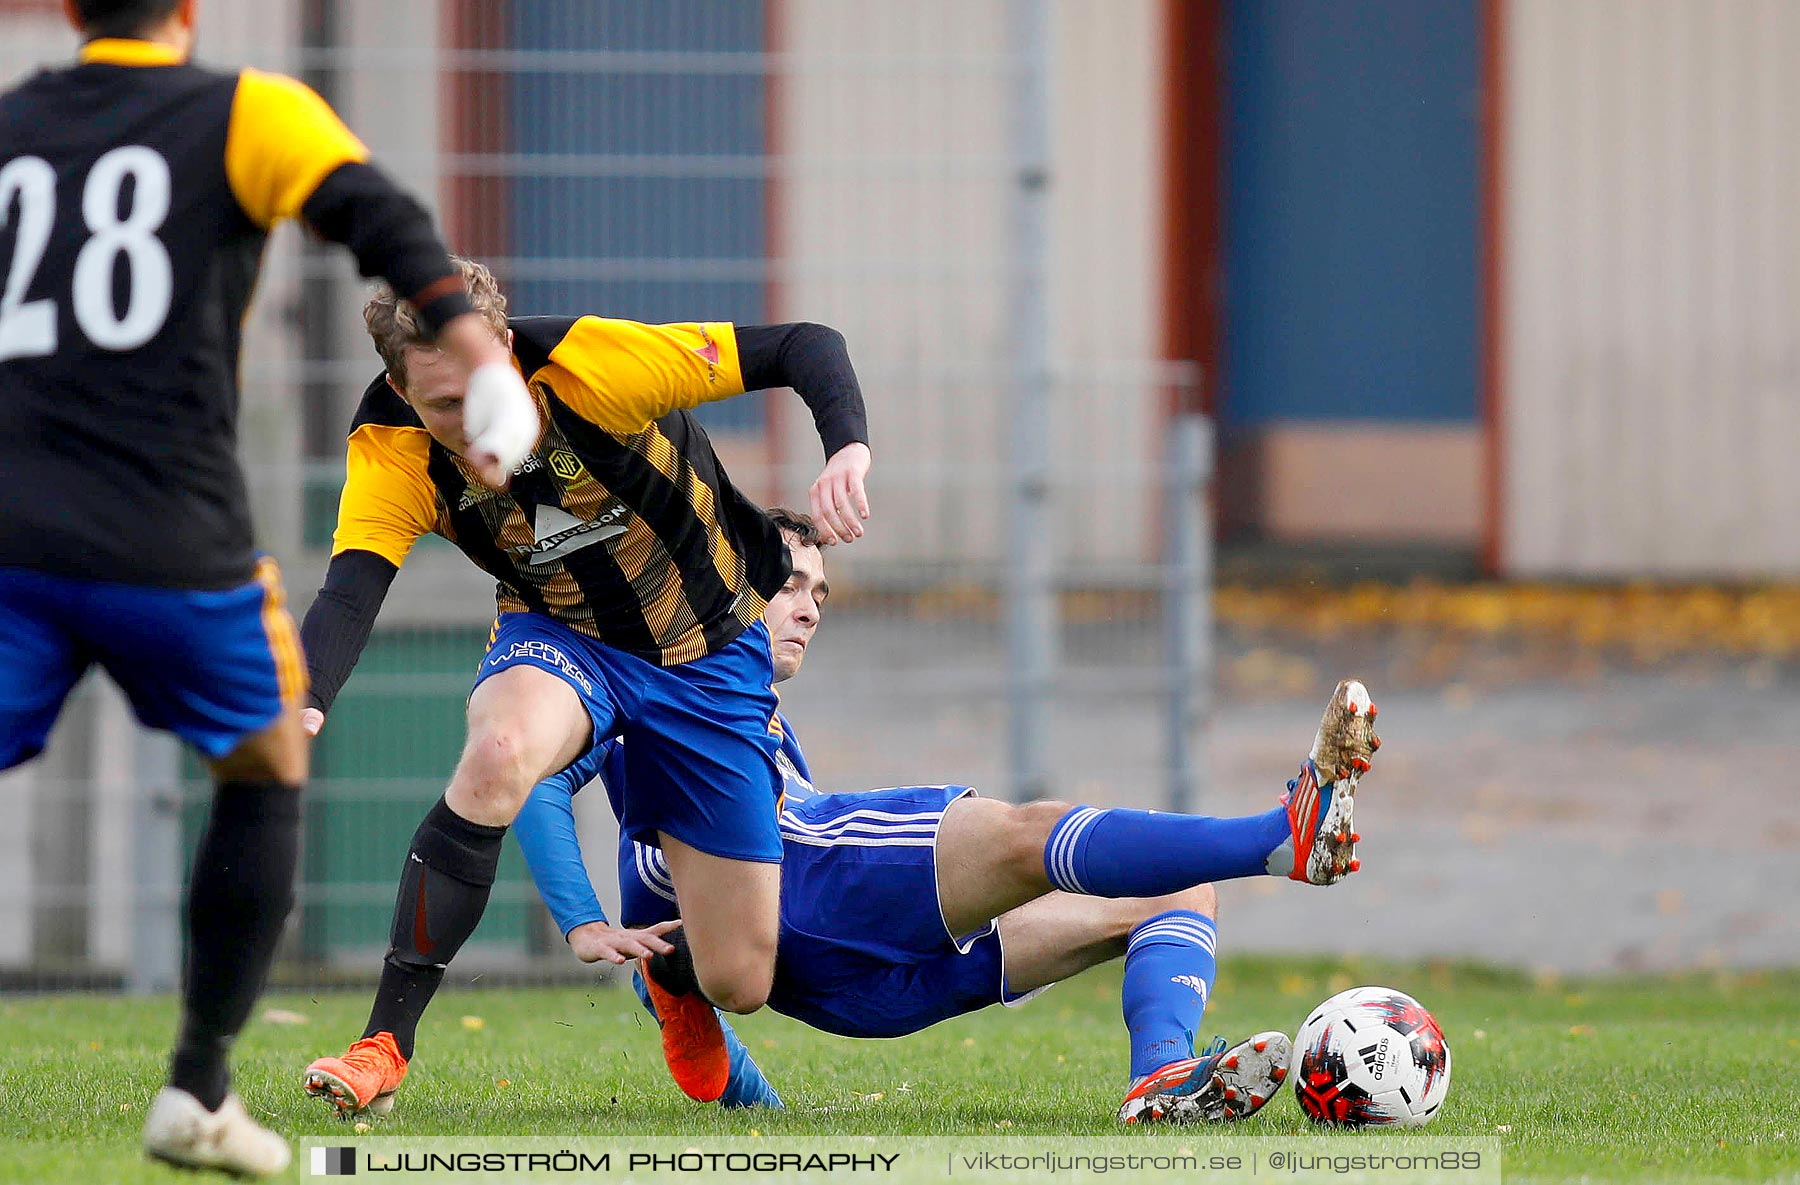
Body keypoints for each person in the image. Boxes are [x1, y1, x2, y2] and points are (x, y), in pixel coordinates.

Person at [0, 2, 537, 1175]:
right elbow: (384, 221)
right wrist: (482, 353)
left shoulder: (13, 125)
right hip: (174, 541)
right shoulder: (248, 110)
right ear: (188, 13)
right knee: (265, 766)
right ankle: (197, 1087)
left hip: (15, 539)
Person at [507, 510, 1382, 1125]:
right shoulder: (657, 685)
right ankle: (1278, 836)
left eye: (821, 590)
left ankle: (1157, 1076)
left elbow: (679, 941)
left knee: (1174, 891)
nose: (810, 604)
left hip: (864, 985)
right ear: (719, 587)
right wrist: (584, 921)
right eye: (789, 583)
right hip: (817, 889)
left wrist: (752, 1104)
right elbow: (539, 779)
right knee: (1023, 831)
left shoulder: (758, 725)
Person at [297, 259, 874, 1117]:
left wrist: (847, 449)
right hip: (565, 636)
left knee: (741, 976)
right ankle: (383, 1044)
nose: (469, 424)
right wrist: (302, 701)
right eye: (440, 405)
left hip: (709, 649)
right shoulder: (395, 450)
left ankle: (675, 979)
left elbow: (804, 345)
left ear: (504, 346)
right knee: (497, 756)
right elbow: (350, 591)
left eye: (481, 391)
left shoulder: (593, 364)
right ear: (399, 388)